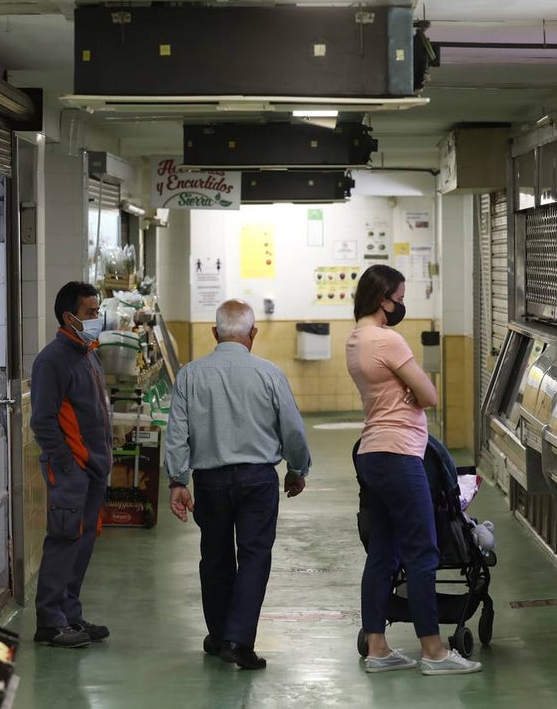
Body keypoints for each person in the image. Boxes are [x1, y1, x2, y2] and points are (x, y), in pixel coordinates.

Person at [346, 265, 482, 676]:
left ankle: (378, 648)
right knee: (423, 551)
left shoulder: (355, 339)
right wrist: (411, 389)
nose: (402, 305)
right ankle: (434, 651)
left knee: (383, 553)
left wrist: (407, 391)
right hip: (401, 454)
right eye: (399, 298)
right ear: (381, 297)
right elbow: (430, 395)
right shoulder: (386, 340)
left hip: (372, 453)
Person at [165, 299, 312, 670]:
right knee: (254, 559)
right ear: (253, 334)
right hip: (258, 480)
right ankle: (238, 639)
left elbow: (177, 432)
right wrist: (297, 468)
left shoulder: (190, 375)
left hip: (209, 480)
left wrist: (177, 480)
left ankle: (218, 636)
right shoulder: (270, 374)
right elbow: (292, 429)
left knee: (214, 558)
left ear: (214, 333)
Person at [30, 281, 113, 648]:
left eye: (97, 311)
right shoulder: (53, 360)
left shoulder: (88, 354)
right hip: (71, 470)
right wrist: (67, 465)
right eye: (91, 313)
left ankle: (71, 615)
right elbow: (43, 421)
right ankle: (50, 622)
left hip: (94, 468)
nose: (97, 318)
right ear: (70, 317)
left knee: (83, 544)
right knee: (63, 541)